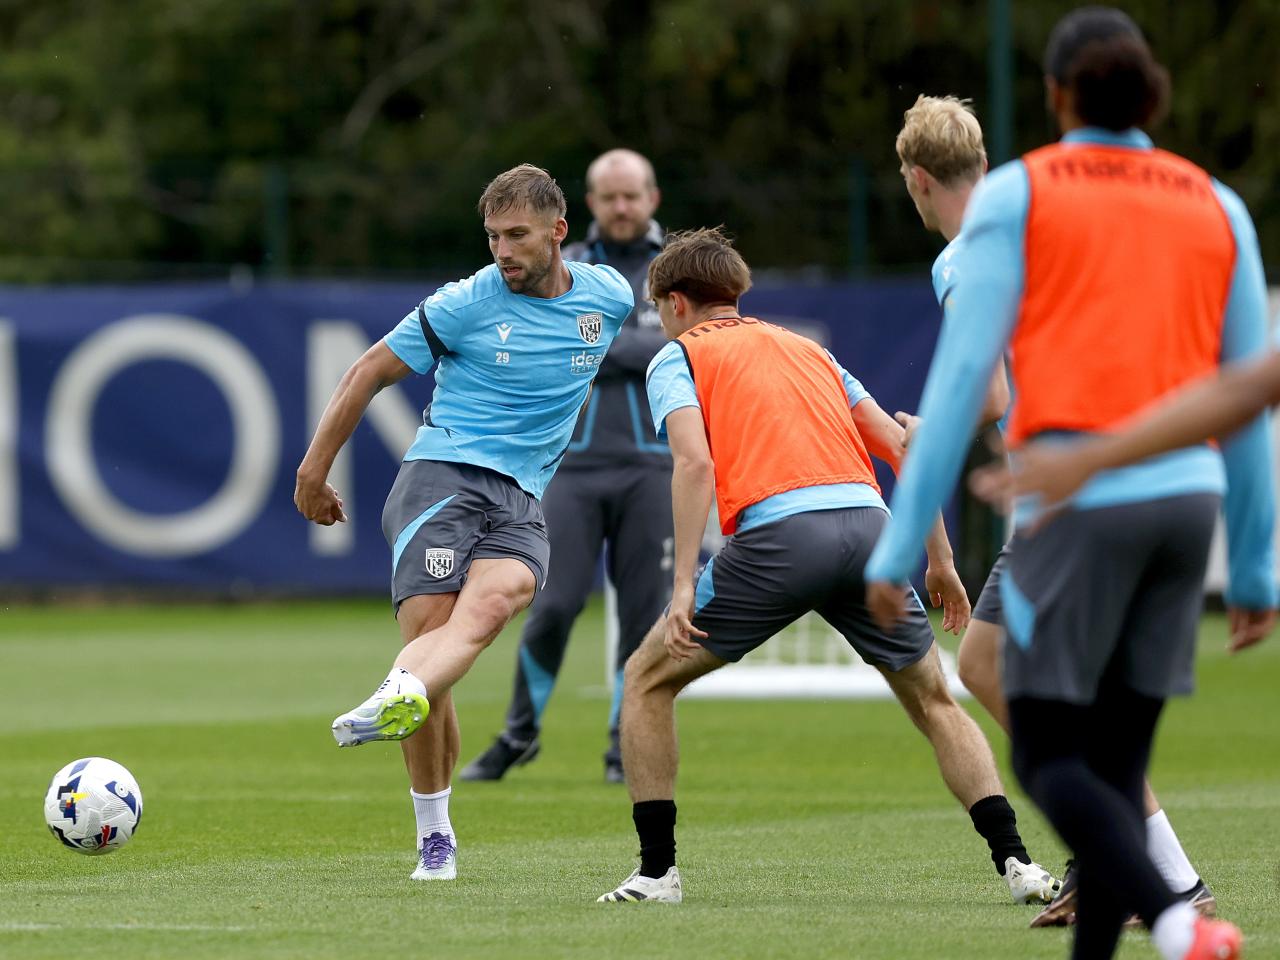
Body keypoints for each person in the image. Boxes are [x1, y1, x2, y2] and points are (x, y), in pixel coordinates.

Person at [865, 9, 1275, 959]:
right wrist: (1253, 564)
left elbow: (970, 378)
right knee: (1110, 746)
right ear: (1155, 92)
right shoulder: (1217, 203)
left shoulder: (1019, 198)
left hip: (1076, 499)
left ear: (1054, 99)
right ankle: (1137, 894)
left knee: (1044, 745)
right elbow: (1249, 387)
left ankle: (1178, 918)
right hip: (1188, 503)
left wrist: (898, 544)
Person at [596, 227, 1060, 906]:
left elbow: (694, 465)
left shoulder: (679, 356)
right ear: (734, 292)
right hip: (872, 532)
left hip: (782, 538)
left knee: (643, 681)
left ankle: (657, 872)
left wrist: (684, 583)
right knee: (935, 701)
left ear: (673, 304)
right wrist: (941, 559)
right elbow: (908, 449)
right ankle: (1017, 862)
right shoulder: (811, 351)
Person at [896, 93, 1216, 929]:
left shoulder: (964, 254)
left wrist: (932, 427)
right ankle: (1121, 863)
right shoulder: (1038, 229)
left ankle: (1164, 881)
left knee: (1021, 682)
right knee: (1005, 673)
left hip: (1068, 497)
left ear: (918, 178)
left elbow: (991, 388)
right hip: (1119, 477)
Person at [294, 164, 634, 882]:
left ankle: (394, 694)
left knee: (494, 606)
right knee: (433, 657)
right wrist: (312, 470)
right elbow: (366, 373)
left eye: (517, 236)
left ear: (559, 233)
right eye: (492, 237)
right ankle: (435, 837)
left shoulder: (608, 297)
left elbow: (681, 335)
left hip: (522, 498)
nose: (503, 251)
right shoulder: (464, 304)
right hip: (439, 479)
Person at [462, 149, 672, 785]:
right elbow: (535, 343)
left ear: (652, 198)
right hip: (569, 469)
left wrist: (595, 341)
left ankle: (621, 745)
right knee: (550, 606)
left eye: (631, 195)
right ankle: (519, 735)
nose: (621, 207)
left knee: (644, 615)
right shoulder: (567, 264)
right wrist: (629, 343)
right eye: (609, 197)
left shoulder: (673, 269)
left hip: (653, 468)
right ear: (589, 204)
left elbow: (684, 344)